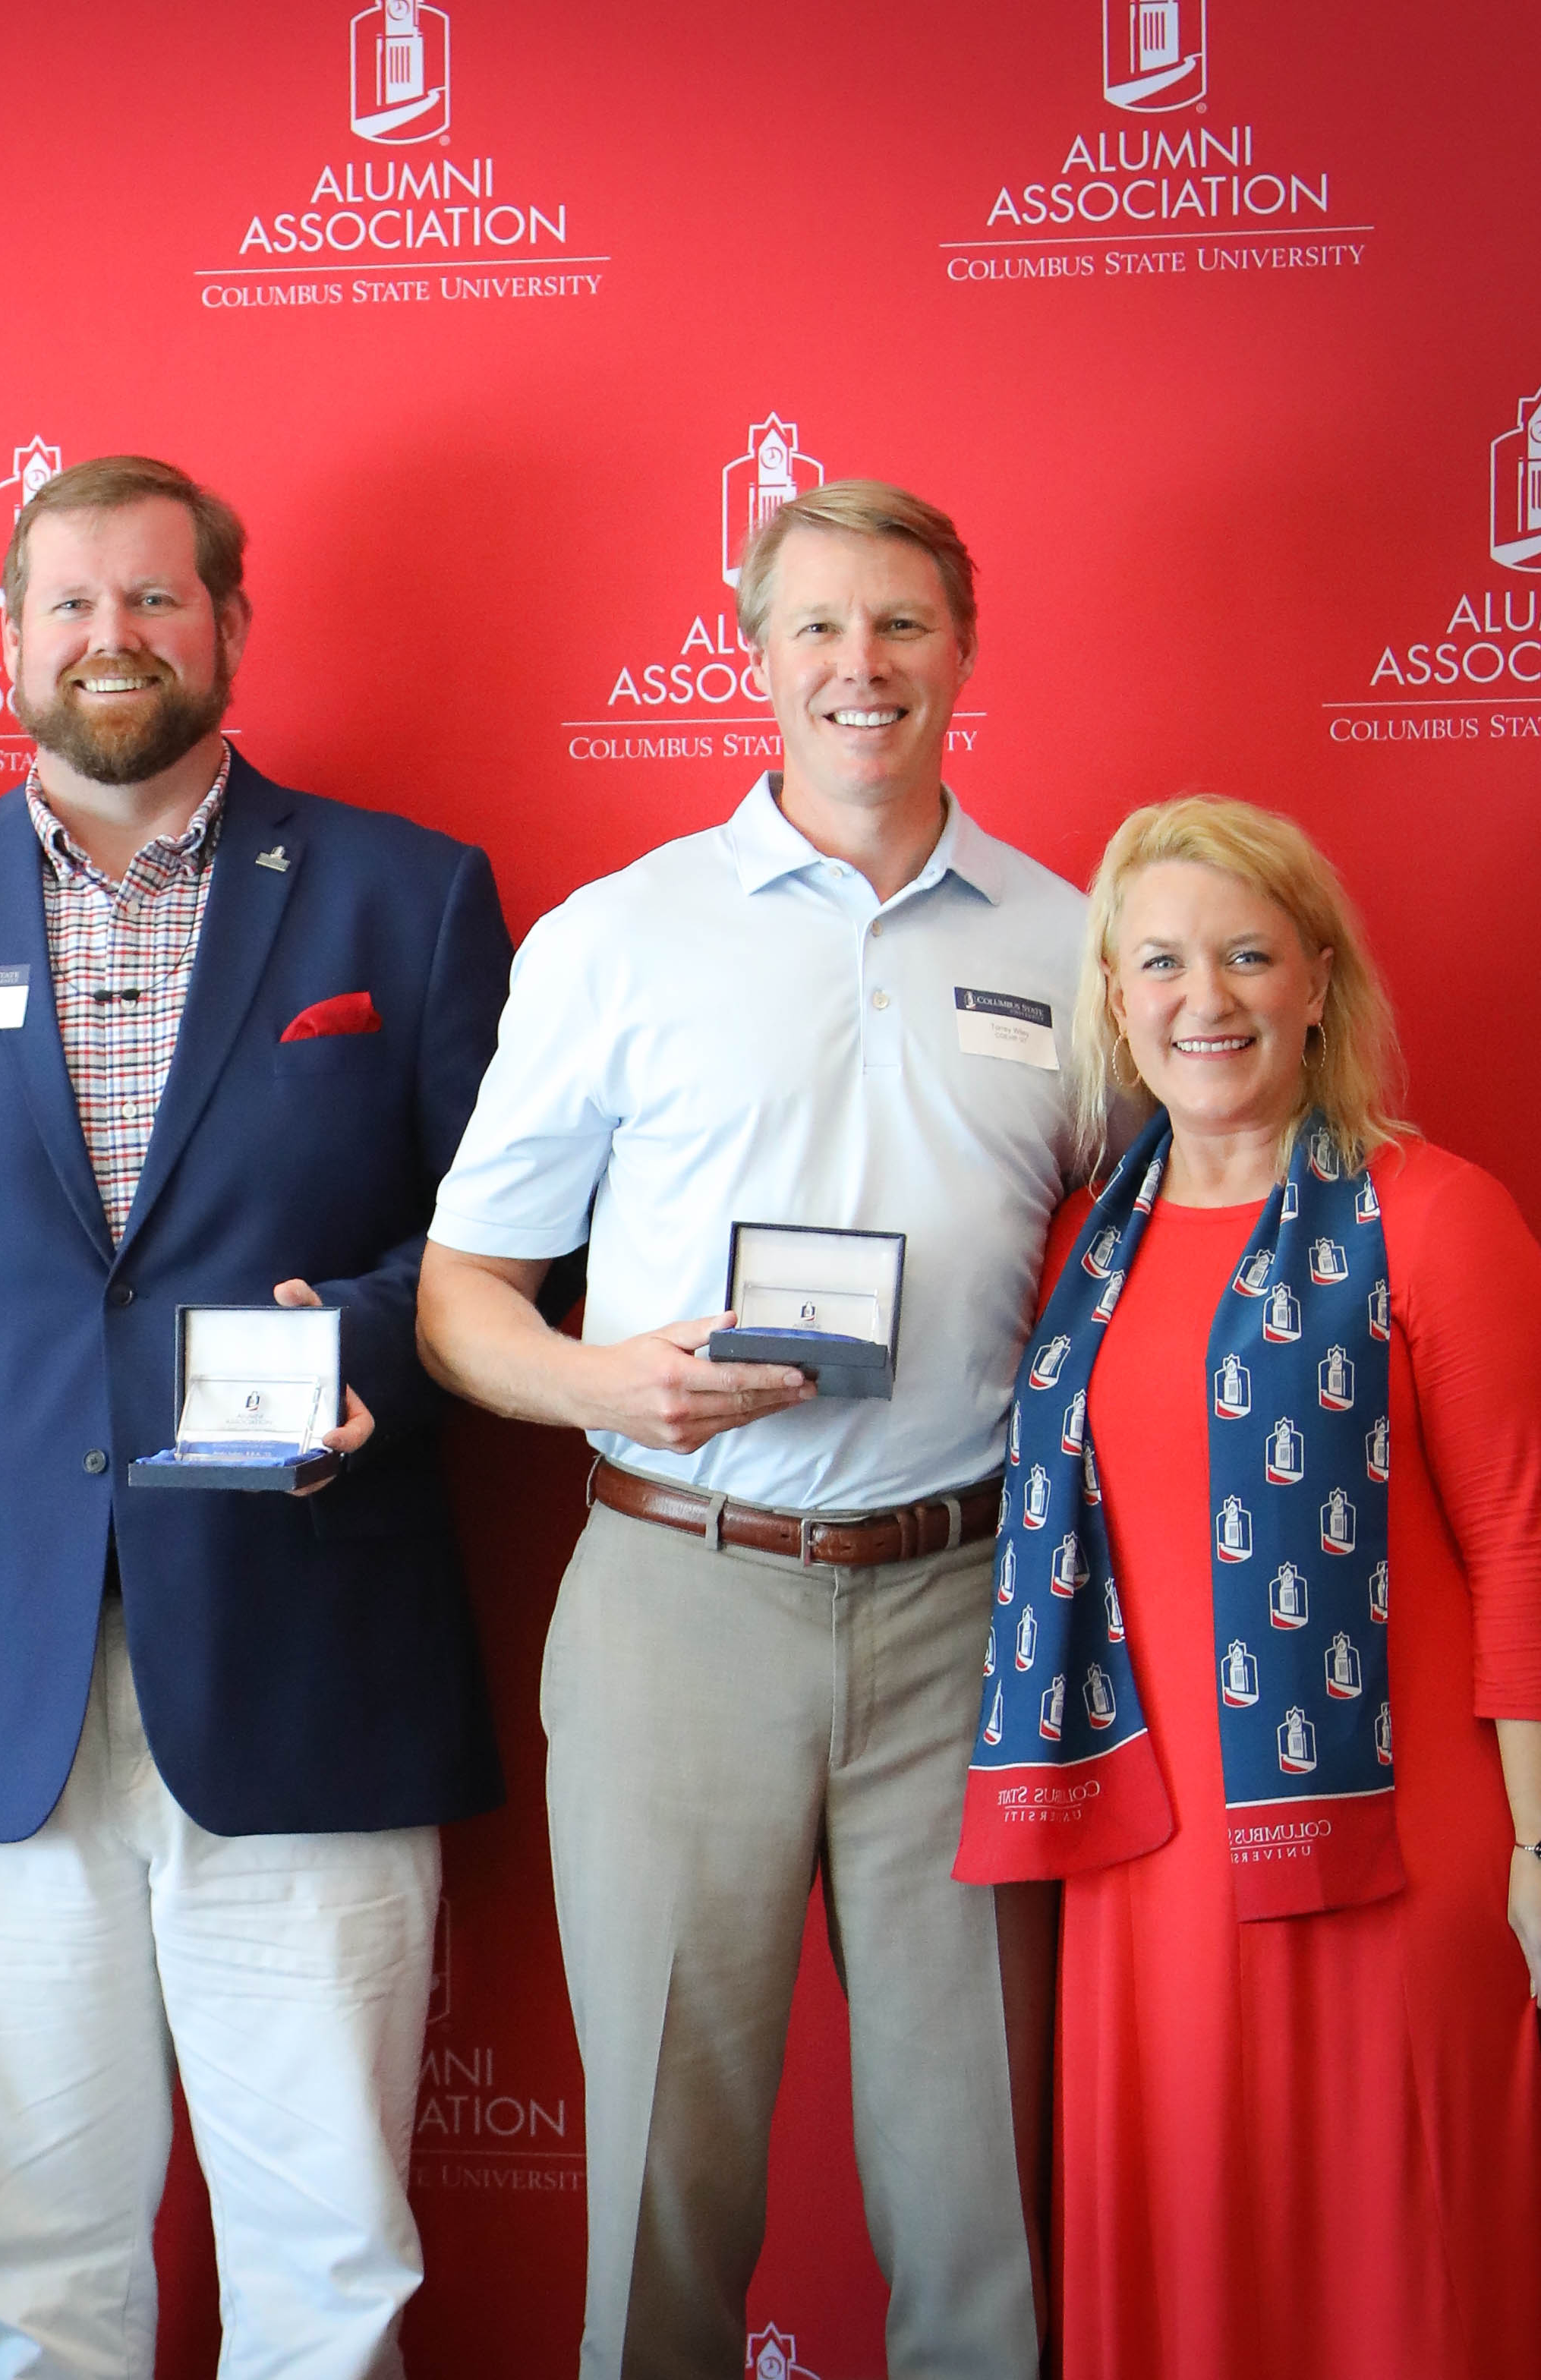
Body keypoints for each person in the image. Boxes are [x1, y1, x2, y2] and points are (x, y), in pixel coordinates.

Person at [0, 455, 509, 2378]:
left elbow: (510, 1260)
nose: (113, 638)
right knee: (27, 2271)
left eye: (157, 600)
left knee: (331, 2260)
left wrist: (351, 1341)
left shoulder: (407, 901)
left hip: (304, 1658)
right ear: (8, 640)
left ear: (232, 627)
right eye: (69, 603)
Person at [417, 480, 1065, 2379]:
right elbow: (463, 1296)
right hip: (680, 1595)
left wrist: (1435, 1336)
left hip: (971, 1608)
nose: (862, 668)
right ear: (753, 653)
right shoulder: (621, 934)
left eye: (903, 628)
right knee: (663, 2203)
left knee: (984, 2199)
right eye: (818, 629)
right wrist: (601, 1381)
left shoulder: (1076, 928)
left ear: (963, 647)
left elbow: (1181, 1254)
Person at [956, 796, 1541, 2380]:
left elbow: (1529, 1550)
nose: (1206, 998)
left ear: (1318, 980)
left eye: (1249, 955)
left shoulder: (1438, 1213)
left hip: (1404, 1857)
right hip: (1146, 1870)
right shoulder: (1096, 1237)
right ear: (1116, 1000)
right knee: (1198, 2282)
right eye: (1162, 963)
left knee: (1411, 2283)